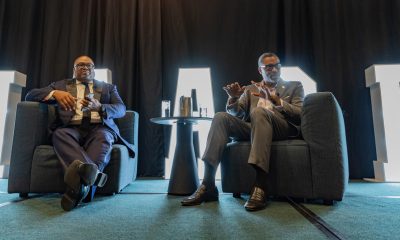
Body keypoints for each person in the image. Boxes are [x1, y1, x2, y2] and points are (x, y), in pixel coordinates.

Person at [181, 52, 304, 211]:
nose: (274, 69)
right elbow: (237, 114)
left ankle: (260, 185)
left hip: (282, 128)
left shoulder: (294, 85)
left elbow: (300, 114)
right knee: (220, 117)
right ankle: (208, 184)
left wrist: (275, 100)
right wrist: (233, 99)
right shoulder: (251, 89)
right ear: (260, 70)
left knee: (259, 112)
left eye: (277, 65)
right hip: (254, 127)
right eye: (269, 66)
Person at [25, 55, 135, 211]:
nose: (85, 68)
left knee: (104, 136)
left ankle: (78, 190)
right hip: (71, 128)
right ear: (74, 69)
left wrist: (100, 107)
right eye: (80, 65)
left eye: (89, 65)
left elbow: (121, 109)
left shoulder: (108, 87)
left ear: (94, 70)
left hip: (99, 128)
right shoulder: (60, 85)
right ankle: (92, 180)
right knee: (59, 134)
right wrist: (55, 93)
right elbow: (30, 95)